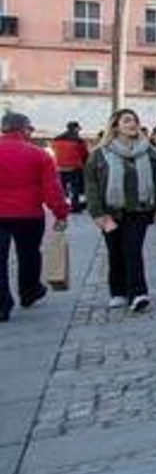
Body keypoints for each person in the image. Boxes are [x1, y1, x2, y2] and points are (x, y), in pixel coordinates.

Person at [85, 109, 156, 312]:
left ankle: (138, 293)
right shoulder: (99, 154)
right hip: (110, 212)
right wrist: (100, 216)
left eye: (135, 120)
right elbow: (91, 186)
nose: (133, 124)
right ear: (115, 126)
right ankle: (118, 291)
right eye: (127, 120)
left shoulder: (147, 151)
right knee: (115, 253)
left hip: (138, 211)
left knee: (133, 251)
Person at [0, 112, 70, 322]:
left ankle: (2, 305)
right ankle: (29, 291)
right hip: (28, 213)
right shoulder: (39, 154)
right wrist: (60, 213)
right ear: (24, 129)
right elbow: (51, 189)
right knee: (29, 253)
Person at [50, 121, 90, 212]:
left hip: (60, 167)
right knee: (75, 188)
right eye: (78, 128)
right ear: (75, 128)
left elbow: (54, 150)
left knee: (62, 188)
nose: (79, 130)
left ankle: (61, 205)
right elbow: (84, 154)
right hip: (74, 167)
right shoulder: (79, 141)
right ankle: (75, 206)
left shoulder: (56, 140)